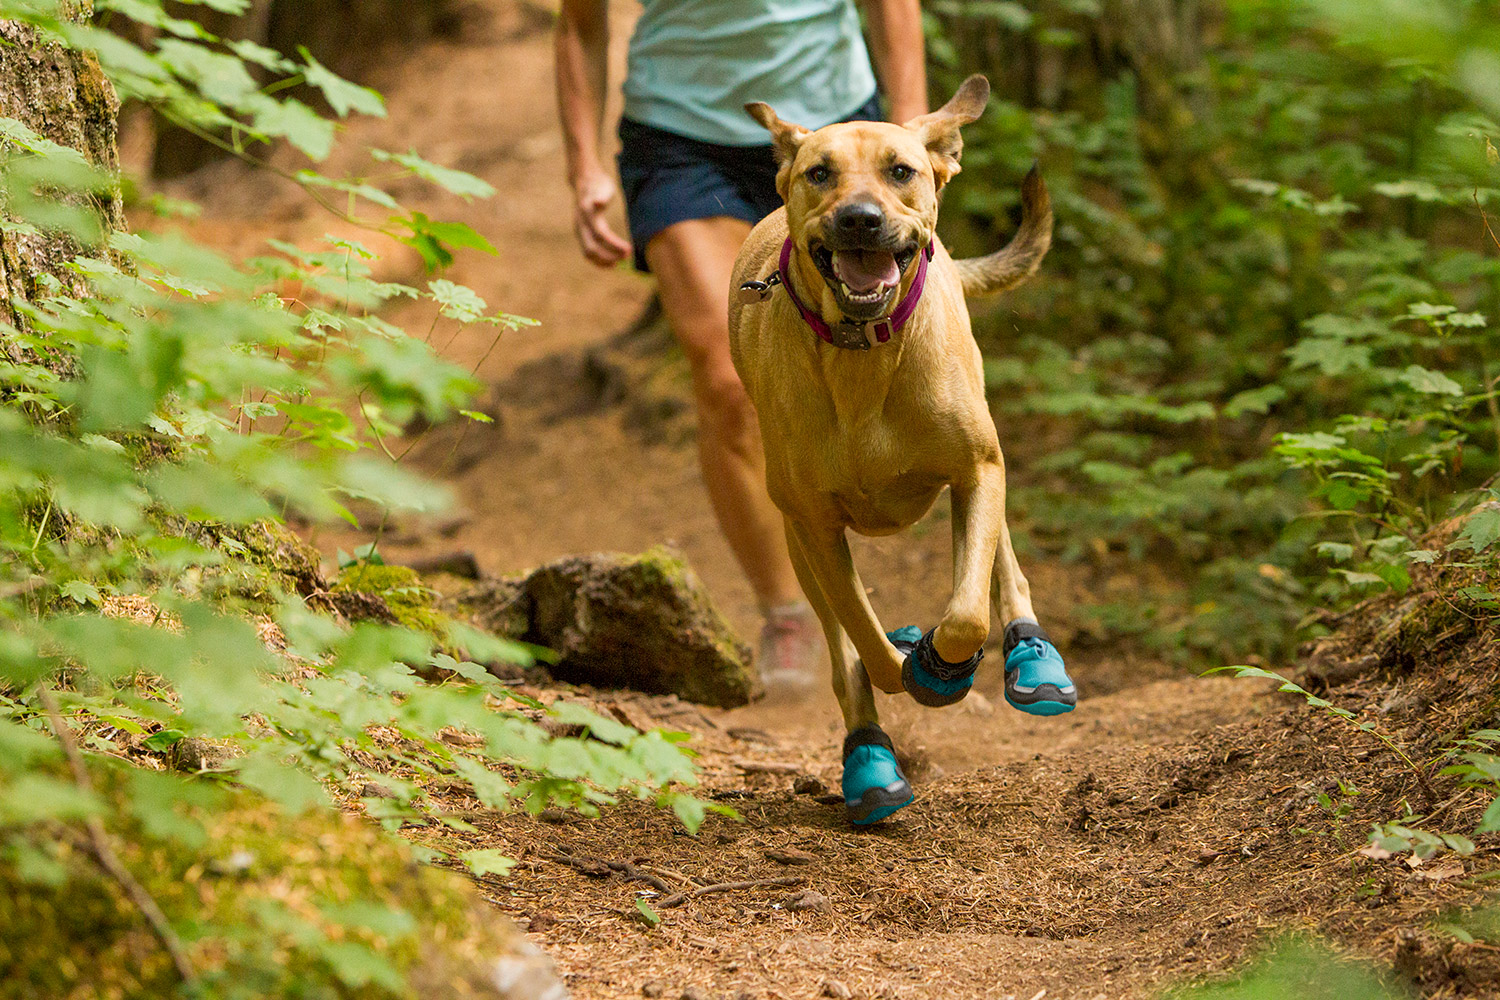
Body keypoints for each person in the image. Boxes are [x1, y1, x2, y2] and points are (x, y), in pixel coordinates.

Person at [554, 0, 928, 689]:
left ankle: (859, 550)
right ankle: (788, 613)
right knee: (729, 382)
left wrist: (912, 139)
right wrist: (585, 167)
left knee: (864, 356)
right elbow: (580, 25)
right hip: (681, 142)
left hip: (843, 137)